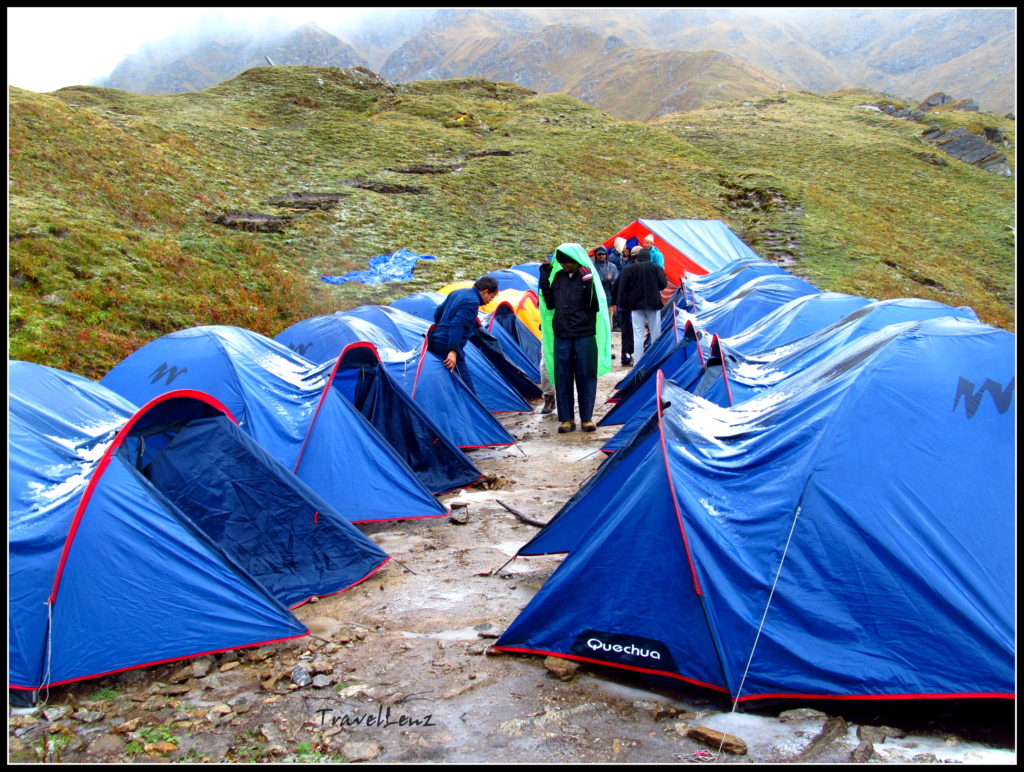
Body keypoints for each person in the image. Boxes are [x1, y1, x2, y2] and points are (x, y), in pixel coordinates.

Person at [538, 247, 602, 433]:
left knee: (586, 376)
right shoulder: (559, 278)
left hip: (584, 335)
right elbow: (550, 303)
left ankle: (587, 418)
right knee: (563, 377)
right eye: (562, 262)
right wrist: (544, 279)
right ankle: (566, 419)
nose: (564, 265)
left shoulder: (587, 276)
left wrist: (587, 283)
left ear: (575, 260)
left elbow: (594, 305)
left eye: (567, 262)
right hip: (563, 335)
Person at [427, 276, 499, 394]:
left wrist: (440, 329)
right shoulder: (472, 302)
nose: (489, 302)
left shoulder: (457, 292)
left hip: (435, 340)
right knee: (466, 387)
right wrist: (453, 351)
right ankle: (474, 411)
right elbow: (457, 324)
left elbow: (439, 311)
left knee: (445, 381)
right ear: (485, 292)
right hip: (447, 345)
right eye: (491, 298)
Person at [616, 247, 667, 364]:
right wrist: (655, 288)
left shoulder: (630, 269)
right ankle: (655, 360)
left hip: (636, 305)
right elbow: (663, 284)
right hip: (653, 305)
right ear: (649, 258)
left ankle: (638, 362)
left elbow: (624, 287)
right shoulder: (656, 268)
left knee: (638, 334)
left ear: (638, 258)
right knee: (655, 333)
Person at [593, 245, 619, 334]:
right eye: (599, 254)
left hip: (609, 298)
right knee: (597, 321)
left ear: (606, 255)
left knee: (608, 321)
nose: (601, 256)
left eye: (603, 254)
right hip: (596, 299)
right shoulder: (592, 266)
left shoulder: (612, 267)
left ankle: (608, 339)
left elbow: (616, 281)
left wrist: (610, 283)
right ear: (596, 255)